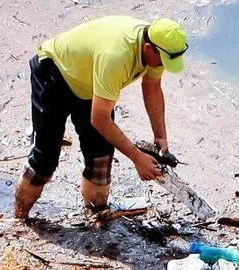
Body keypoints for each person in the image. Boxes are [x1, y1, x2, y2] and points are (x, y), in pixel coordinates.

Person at [13, 13, 188, 222]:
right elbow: (100, 118)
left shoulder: (157, 45)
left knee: (101, 159)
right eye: (163, 60)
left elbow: (152, 89)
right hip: (55, 74)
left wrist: (160, 137)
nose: (163, 65)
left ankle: (96, 217)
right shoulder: (116, 57)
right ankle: (19, 219)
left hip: (90, 84)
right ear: (148, 48)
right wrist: (137, 158)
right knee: (45, 160)